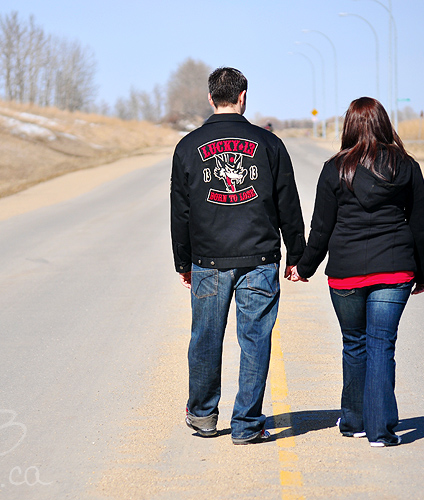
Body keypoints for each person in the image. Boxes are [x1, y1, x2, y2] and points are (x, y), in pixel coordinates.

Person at [170, 67, 306, 445]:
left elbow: (180, 211)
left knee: (205, 339)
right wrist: (297, 252)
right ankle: (246, 424)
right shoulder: (270, 144)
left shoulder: (187, 146)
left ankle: (202, 415)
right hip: (260, 260)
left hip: (208, 262)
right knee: (255, 342)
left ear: (210, 98)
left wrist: (184, 262)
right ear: (243, 96)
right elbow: (288, 204)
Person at [293, 97, 424, 447]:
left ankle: (353, 421)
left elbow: (321, 228)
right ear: (383, 123)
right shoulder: (406, 165)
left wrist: (304, 267)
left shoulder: (335, 168)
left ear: (349, 126)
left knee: (354, 345)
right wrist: (422, 273)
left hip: (346, 273)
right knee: (381, 345)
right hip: (396, 270)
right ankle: (380, 430)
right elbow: (419, 225)